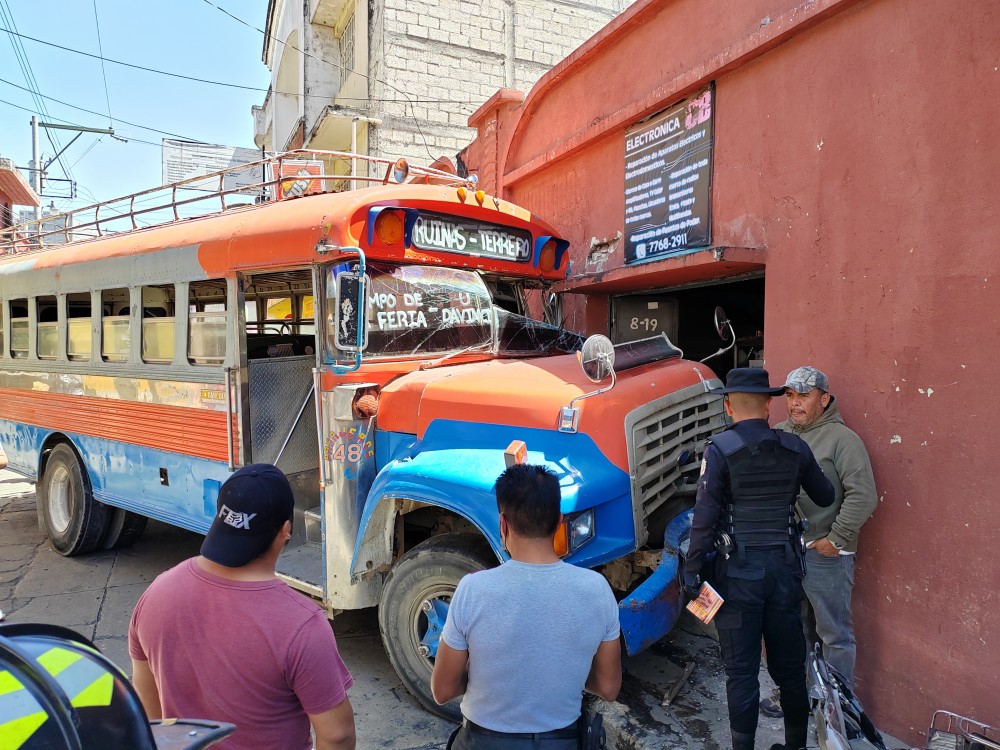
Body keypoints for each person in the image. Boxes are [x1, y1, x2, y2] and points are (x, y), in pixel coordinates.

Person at [128, 464, 356, 750]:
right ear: (286, 531)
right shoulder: (302, 624)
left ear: (220, 518)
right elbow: (338, 735)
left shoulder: (156, 594)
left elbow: (149, 709)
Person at [683, 368, 835, 750]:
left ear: (728, 405)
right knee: (789, 672)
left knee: (742, 673)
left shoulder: (719, 449)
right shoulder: (795, 447)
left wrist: (691, 574)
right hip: (785, 572)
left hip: (737, 576)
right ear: (769, 404)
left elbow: (703, 521)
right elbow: (826, 496)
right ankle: (797, 745)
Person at [431, 463, 621, 750]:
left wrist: (478, 676)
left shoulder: (474, 589)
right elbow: (608, 688)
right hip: (564, 742)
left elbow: (442, 690)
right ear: (559, 521)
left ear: (503, 524)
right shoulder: (597, 589)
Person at [778, 365, 877, 689]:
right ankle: (799, 697)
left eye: (804, 396)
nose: (795, 403)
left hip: (827, 555)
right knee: (795, 628)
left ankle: (839, 710)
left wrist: (836, 540)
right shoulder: (780, 433)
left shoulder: (843, 440)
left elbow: (863, 496)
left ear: (824, 399)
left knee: (834, 635)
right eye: (790, 395)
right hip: (790, 553)